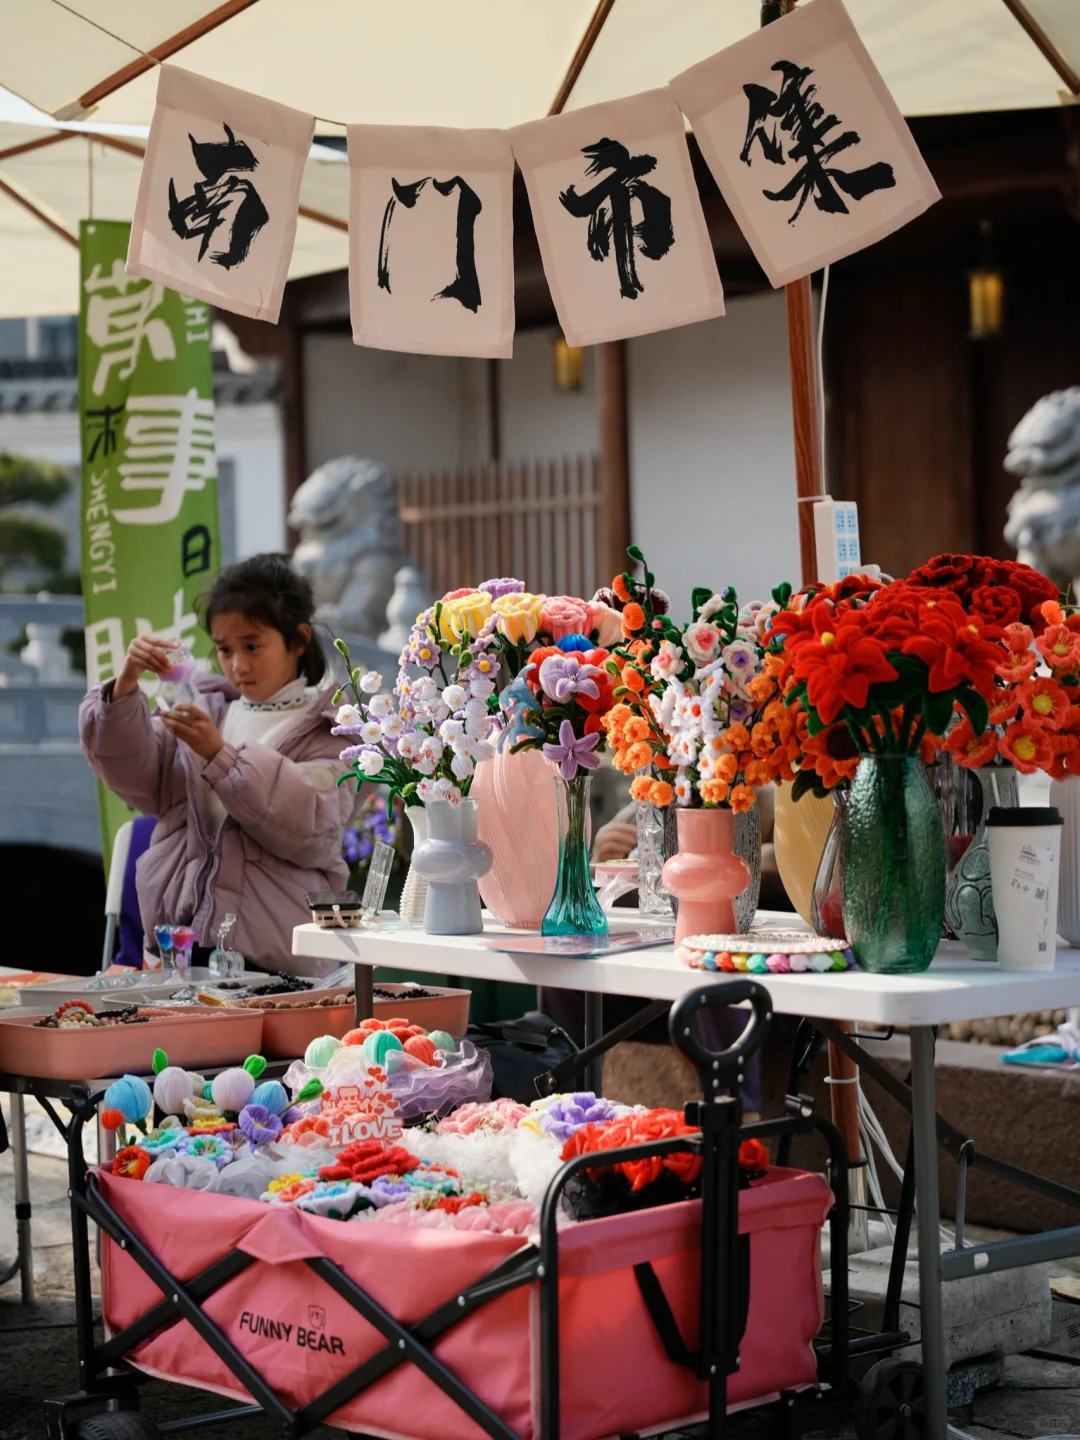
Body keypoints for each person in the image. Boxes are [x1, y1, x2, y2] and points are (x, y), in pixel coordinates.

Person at [80, 553, 358, 971]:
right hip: (181, 950)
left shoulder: (333, 730)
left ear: (298, 641)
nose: (237, 665)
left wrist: (221, 757)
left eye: (252, 646)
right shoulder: (206, 711)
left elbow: (311, 825)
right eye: (224, 649)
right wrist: (124, 688)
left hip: (281, 960)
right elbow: (132, 771)